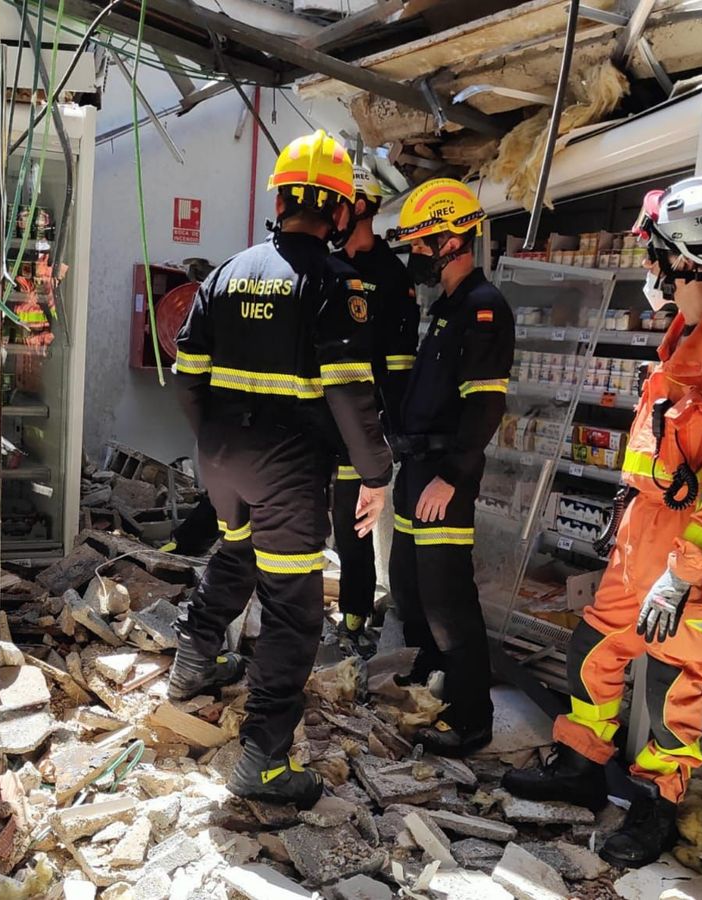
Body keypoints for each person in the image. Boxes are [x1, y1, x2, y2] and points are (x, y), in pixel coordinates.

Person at [502, 177, 702, 867]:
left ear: (687, 258)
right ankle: (579, 767)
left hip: (687, 570)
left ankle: (659, 807)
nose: (648, 265)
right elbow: (662, 447)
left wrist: (681, 578)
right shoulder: (687, 335)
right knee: (592, 654)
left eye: (656, 251)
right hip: (641, 549)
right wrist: (625, 516)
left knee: (667, 693)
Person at [167, 130, 393, 809]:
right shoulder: (333, 283)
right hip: (288, 468)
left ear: (283, 199)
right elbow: (352, 391)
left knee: (235, 555)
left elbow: (186, 375)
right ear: (338, 209)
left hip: (221, 457)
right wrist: (376, 474)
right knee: (294, 613)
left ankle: (192, 662)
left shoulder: (226, 273)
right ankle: (263, 763)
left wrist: (212, 443)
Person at [388, 178, 513, 758]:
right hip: (417, 470)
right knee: (412, 587)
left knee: (447, 599)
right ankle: (430, 685)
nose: (416, 256)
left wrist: (452, 475)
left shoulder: (484, 309)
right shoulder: (447, 308)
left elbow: (485, 405)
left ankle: (472, 719)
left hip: (443, 474)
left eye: (421, 244)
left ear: (453, 240)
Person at [332, 165, 418, 658]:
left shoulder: (392, 277)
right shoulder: (326, 266)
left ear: (360, 207)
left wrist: (386, 434)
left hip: (362, 421)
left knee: (354, 525)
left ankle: (353, 617)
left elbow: (398, 368)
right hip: (319, 418)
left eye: (338, 204)